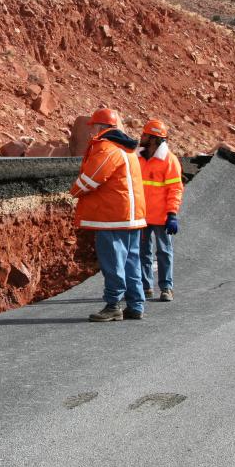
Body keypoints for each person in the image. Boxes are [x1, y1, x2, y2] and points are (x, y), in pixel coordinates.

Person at [70, 108, 148, 322]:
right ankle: (136, 304)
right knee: (132, 261)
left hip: (112, 216)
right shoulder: (128, 149)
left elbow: (93, 177)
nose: (90, 132)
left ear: (99, 127)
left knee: (113, 261)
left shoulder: (107, 147)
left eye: (92, 127)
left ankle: (113, 304)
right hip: (131, 216)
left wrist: (74, 192)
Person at [138, 119, 184, 302]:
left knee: (164, 252)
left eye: (145, 135)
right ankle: (146, 287)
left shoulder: (169, 160)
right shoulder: (138, 157)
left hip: (162, 217)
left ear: (154, 138)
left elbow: (175, 189)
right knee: (143, 253)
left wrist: (172, 214)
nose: (141, 137)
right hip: (141, 216)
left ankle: (166, 288)